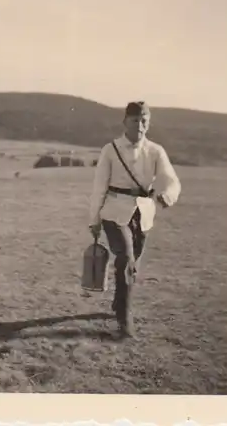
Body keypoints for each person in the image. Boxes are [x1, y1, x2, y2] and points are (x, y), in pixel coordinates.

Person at [89, 101, 181, 338]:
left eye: (144, 121)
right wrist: (94, 219)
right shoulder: (110, 149)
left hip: (143, 214)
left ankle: (119, 304)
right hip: (114, 212)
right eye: (134, 121)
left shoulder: (156, 151)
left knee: (133, 265)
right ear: (125, 122)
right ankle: (124, 320)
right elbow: (99, 186)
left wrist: (167, 196)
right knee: (126, 259)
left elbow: (172, 180)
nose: (139, 126)